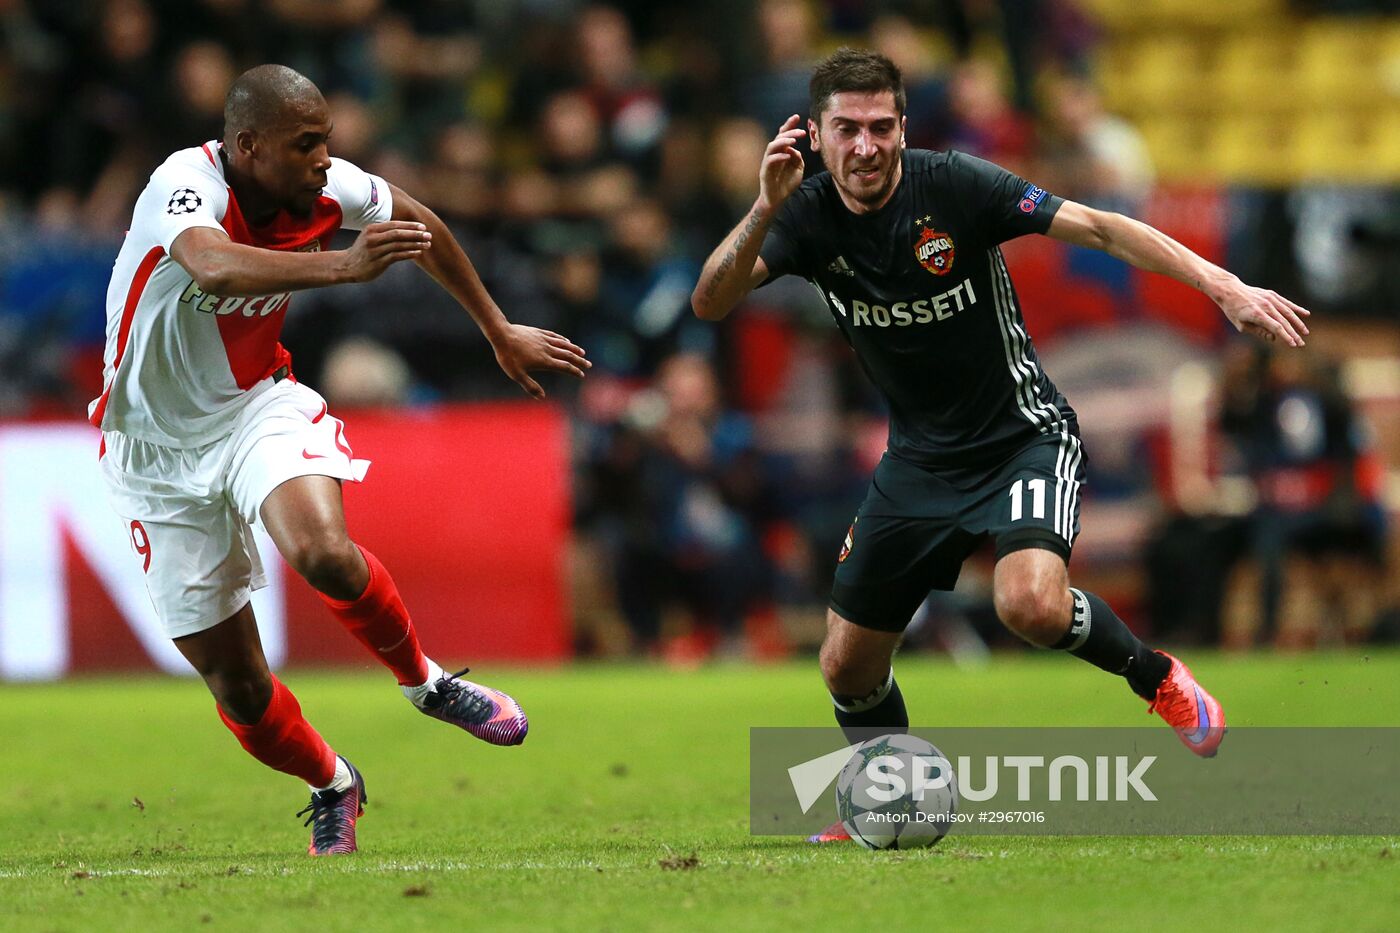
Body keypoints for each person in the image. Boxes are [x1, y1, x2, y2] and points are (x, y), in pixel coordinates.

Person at [690, 48, 1311, 843]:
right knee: (846, 664)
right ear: (815, 133)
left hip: (1022, 437)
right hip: (917, 460)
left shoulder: (953, 184)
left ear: (903, 128)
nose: (867, 146)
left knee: (1029, 603)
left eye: (882, 127)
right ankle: (896, 796)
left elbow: (1101, 227)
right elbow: (713, 299)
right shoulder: (803, 215)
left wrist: (1223, 286)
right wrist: (765, 208)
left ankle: (1159, 679)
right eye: (847, 129)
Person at [90, 65, 590, 855]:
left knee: (323, 551)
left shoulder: (328, 190)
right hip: (152, 452)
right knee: (241, 688)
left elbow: (421, 225)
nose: (327, 158)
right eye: (307, 144)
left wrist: (497, 328)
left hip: (257, 406)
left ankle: (428, 682)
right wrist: (344, 267)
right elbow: (214, 266)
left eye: (327, 140)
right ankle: (333, 782)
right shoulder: (182, 185)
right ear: (248, 145)